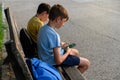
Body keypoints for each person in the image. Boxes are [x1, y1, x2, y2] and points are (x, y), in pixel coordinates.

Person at [37, 4, 90, 73]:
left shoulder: (43, 29)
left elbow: (49, 42)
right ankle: (73, 76)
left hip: (45, 57)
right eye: (64, 21)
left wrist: (60, 44)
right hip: (51, 62)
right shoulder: (55, 36)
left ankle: (70, 70)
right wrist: (67, 52)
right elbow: (58, 61)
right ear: (58, 19)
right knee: (86, 63)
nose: (63, 24)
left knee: (75, 52)